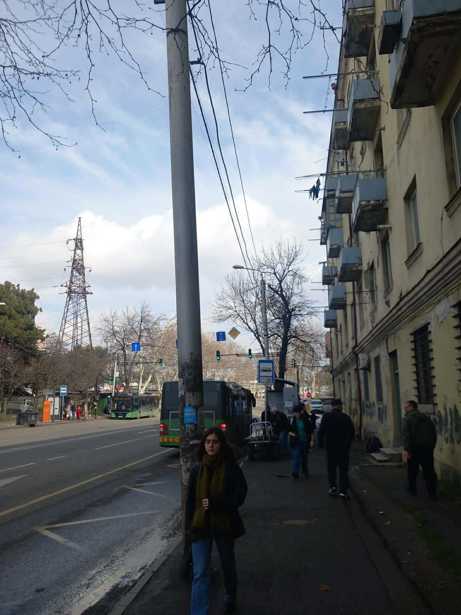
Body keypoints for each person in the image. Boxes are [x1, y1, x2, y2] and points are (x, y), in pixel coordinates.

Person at [186, 427, 248, 615]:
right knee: (199, 572)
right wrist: (189, 529)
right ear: (203, 445)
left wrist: (218, 503)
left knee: (227, 565)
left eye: (215, 442)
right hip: (201, 525)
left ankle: (230, 597)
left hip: (223, 524)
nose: (211, 446)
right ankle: (199, 611)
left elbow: (240, 494)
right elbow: (191, 503)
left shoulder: (230, 468)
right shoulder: (197, 469)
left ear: (221, 445)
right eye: (207, 442)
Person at [318, 398, 355, 499]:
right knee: (343, 469)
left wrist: (321, 444)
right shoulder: (345, 417)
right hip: (343, 448)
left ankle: (333, 487)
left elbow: (321, 431)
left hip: (330, 448)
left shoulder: (326, 417)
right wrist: (348, 444)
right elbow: (351, 432)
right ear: (340, 406)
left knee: (331, 469)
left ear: (332, 406)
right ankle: (343, 490)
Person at [402, 400, 437, 500]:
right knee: (429, 471)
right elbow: (433, 433)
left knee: (412, 471)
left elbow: (407, 436)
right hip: (427, 448)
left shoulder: (408, 419)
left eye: (406, 407)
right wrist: (431, 446)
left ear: (411, 407)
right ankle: (432, 493)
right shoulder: (426, 418)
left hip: (414, 448)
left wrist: (407, 450)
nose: (405, 409)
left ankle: (412, 490)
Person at [288, 404, 314, 479]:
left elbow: (311, 431)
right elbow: (289, 431)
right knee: (296, 456)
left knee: (304, 458)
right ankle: (295, 472)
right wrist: (293, 434)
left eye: (296, 412)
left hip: (304, 441)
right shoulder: (292, 420)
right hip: (296, 442)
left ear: (300, 412)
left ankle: (305, 471)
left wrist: (312, 441)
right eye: (294, 413)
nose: (295, 414)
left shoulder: (306, 420)